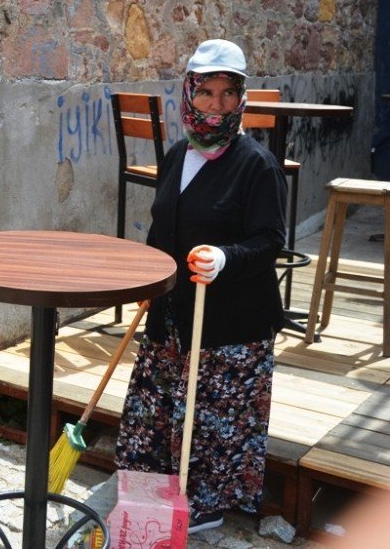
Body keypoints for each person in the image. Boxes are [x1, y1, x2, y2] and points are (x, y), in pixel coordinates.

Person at [114, 39, 287, 533]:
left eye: (228, 94)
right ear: (188, 93)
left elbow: (270, 240)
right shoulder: (176, 155)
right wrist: (149, 277)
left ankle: (205, 503)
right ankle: (156, 490)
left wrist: (225, 257)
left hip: (230, 325)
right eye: (206, 92)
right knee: (158, 408)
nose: (216, 105)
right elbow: (160, 227)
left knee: (211, 420)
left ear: (241, 98)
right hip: (173, 315)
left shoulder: (256, 165)